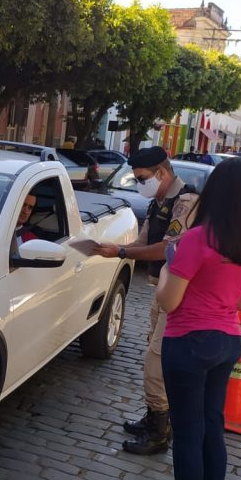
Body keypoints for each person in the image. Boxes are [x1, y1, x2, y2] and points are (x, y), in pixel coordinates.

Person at [143, 157, 241, 480]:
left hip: (189, 342)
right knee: (212, 431)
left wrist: (167, 269)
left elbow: (169, 301)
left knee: (188, 435)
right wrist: (224, 297)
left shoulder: (198, 239)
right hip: (226, 344)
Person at [90, 146, 199, 454]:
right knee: (155, 352)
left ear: (162, 173)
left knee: (157, 360)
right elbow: (143, 241)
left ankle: (159, 433)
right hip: (160, 287)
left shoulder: (185, 202)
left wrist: (121, 252)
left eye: (142, 178)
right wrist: (108, 248)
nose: (140, 184)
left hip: (179, 293)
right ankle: (155, 418)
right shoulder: (159, 202)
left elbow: (166, 249)